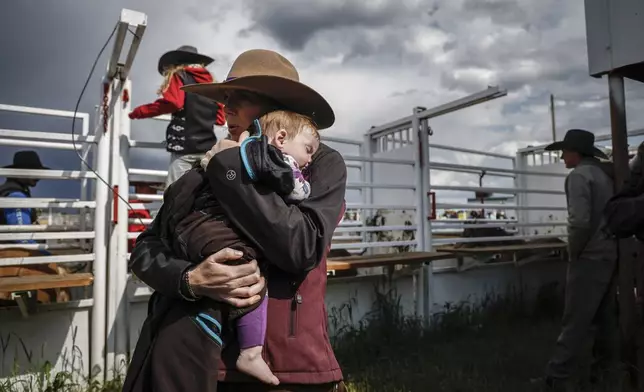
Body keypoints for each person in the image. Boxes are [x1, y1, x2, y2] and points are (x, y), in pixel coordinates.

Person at [122, 49, 347, 392]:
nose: (227, 108)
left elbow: (301, 246)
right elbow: (147, 249)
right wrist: (190, 279)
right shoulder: (206, 166)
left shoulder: (318, 163)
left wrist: (232, 167)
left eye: (241, 98)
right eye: (226, 98)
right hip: (203, 364)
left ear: (278, 107)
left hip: (291, 368)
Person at [161, 110, 320, 385]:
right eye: (307, 151)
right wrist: (304, 185)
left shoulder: (227, 154)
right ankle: (249, 351)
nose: (310, 160)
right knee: (249, 276)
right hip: (210, 232)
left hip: (193, 230)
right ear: (280, 138)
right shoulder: (273, 158)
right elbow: (295, 190)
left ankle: (232, 340)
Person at [534, 129, 618, 389]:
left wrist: (573, 253)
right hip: (608, 253)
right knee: (605, 318)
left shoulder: (579, 176)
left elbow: (579, 222)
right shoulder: (603, 176)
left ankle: (556, 377)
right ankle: (603, 373)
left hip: (589, 256)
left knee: (575, 320)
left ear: (576, 153)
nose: (561, 157)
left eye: (565, 151)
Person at [128, 45, 227, 188]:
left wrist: (139, 112)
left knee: (174, 191)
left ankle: (174, 210)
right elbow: (220, 119)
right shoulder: (211, 83)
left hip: (184, 147)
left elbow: (174, 103)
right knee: (205, 191)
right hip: (207, 148)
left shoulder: (180, 76)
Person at [0, 151, 49, 245]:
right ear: (20, 172)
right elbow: (22, 238)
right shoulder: (16, 197)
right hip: (14, 253)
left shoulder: (8, 191)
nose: (38, 177)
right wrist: (44, 254)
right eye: (33, 171)